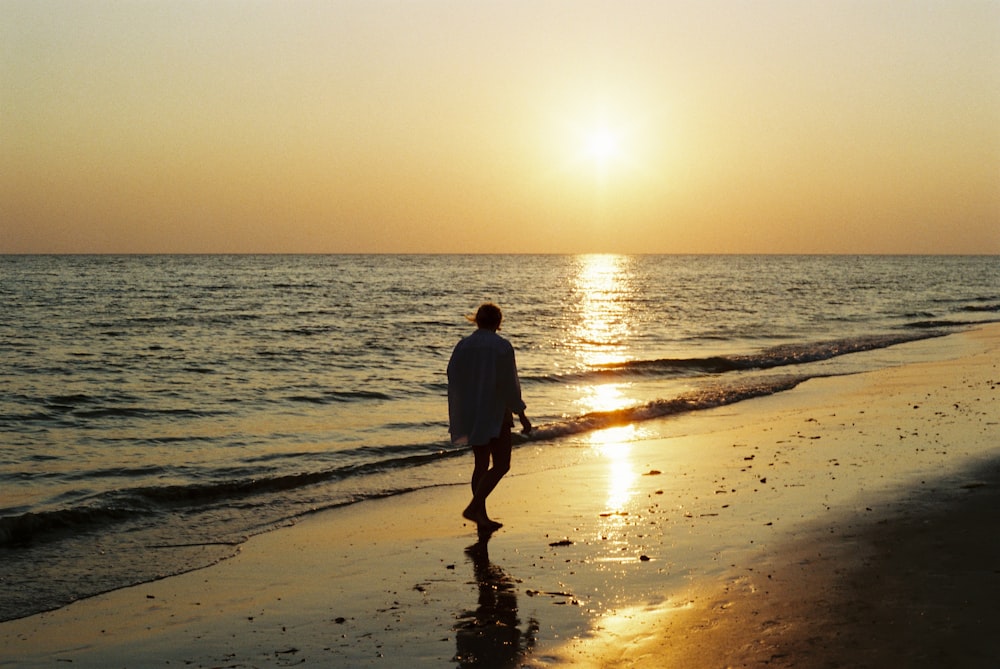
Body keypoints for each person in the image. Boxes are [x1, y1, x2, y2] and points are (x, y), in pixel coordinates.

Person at [448, 303, 531, 531]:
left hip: (471, 410)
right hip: (495, 410)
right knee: (502, 464)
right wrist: (521, 414)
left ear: (477, 320)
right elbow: (509, 385)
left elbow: (452, 376)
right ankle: (475, 508)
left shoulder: (463, 346)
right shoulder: (501, 347)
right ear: (498, 322)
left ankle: (481, 516)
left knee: (481, 463)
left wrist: (462, 404)